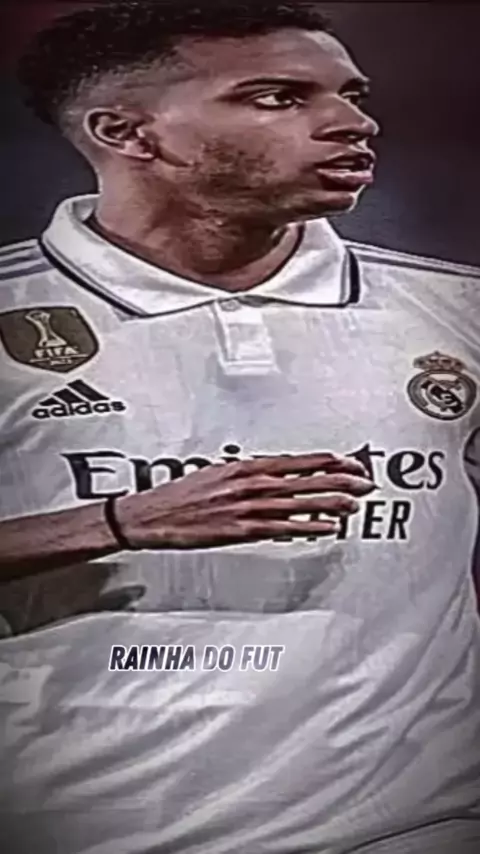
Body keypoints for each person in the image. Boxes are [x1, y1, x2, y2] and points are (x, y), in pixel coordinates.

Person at [0, 1, 479, 852]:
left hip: (409, 821)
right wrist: (116, 521)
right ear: (126, 132)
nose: (354, 123)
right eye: (278, 97)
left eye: (352, 94)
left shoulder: (455, 311)